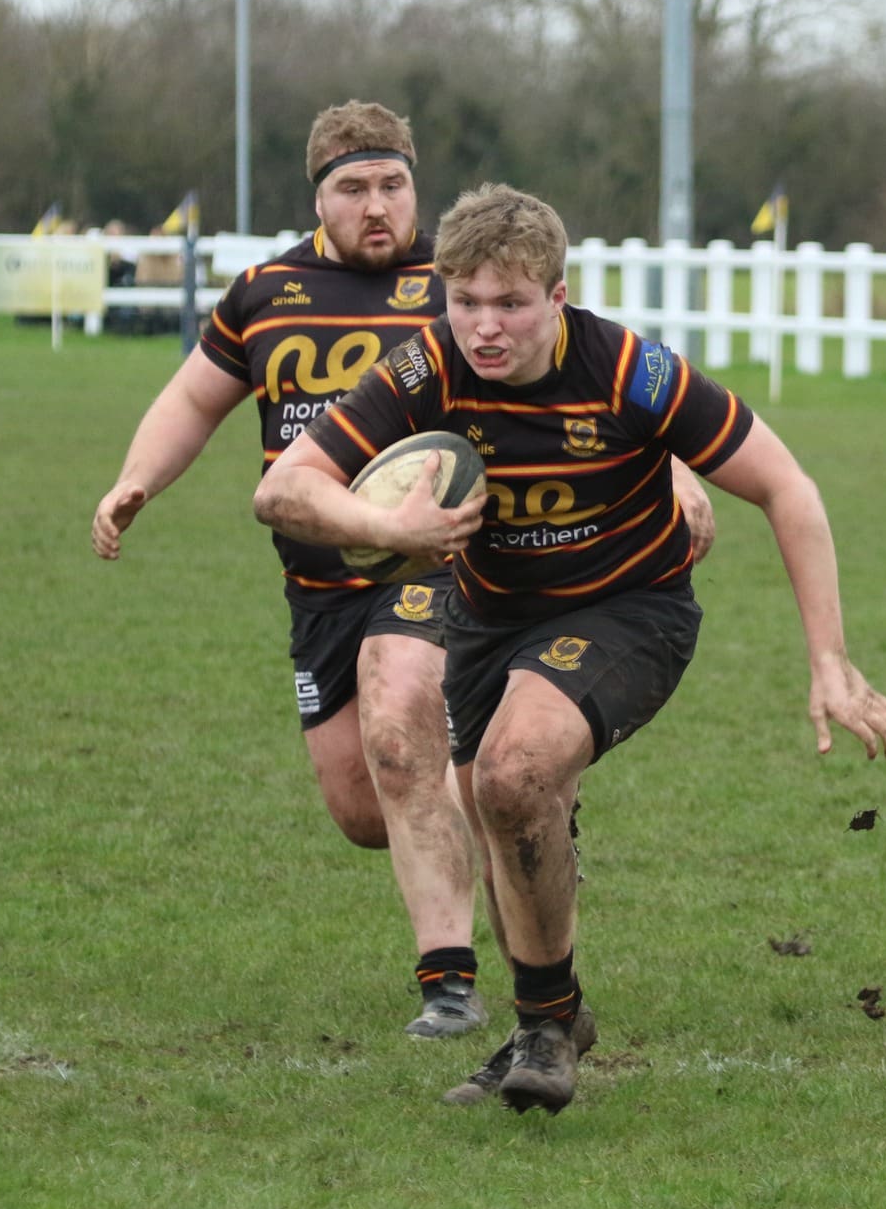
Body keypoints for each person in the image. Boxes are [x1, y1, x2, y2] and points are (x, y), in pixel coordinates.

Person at [253, 181, 886, 1114]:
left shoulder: (631, 371)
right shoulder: (425, 367)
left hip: (630, 609)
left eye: (511, 304)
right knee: (502, 812)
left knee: (514, 774)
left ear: (558, 297)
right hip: (488, 620)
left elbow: (787, 487)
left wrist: (829, 660)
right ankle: (550, 1018)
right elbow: (283, 489)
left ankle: (545, 1031)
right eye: (465, 301)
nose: (486, 327)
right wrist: (388, 526)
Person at [92, 103, 718, 1039]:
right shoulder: (266, 292)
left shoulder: (463, 283)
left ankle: (451, 980)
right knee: (363, 801)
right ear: (318, 198)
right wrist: (135, 479)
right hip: (321, 580)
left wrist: (674, 473)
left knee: (401, 711)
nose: (377, 205)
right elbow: (191, 399)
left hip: (442, 559)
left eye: (393, 185)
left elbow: (584, 385)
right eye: (354, 188)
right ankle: (531, 816)